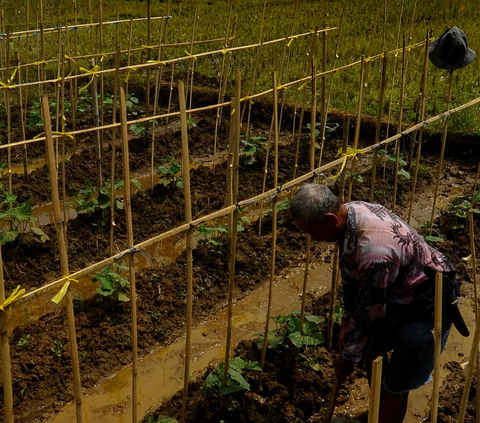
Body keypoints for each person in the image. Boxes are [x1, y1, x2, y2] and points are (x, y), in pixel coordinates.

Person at [290, 184, 469, 423]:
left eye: (312, 232)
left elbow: (370, 311)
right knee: (371, 352)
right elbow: (352, 281)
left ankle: (387, 410)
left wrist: (347, 358)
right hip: (396, 295)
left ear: (330, 219)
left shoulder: (373, 250)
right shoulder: (351, 213)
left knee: (398, 384)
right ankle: (379, 407)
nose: (313, 239)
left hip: (426, 306)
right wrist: (345, 324)